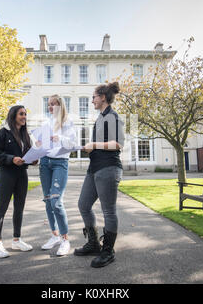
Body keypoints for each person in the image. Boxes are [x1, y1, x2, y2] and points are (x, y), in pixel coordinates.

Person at [74, 82, 125, 268]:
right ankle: (94, 243)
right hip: (94, 167)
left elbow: (118, 144)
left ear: (103, 97)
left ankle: (108, 251)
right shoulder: (101, 118)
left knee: (108, 210)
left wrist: (93, 145)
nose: (92, 100)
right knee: (83, 204)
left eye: (94, 97)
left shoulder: (112, 116)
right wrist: (90, 148)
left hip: (109, 168)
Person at [0, 105, 37, 258]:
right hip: (6, 173)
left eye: (25, 114)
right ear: (13, 116)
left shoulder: (25, 135)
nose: (24, 116)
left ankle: (16, 239)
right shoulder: (3, 133)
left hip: (21, 175)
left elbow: (27, 154)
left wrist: (33, 160)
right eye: (21, 114)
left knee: (19, 207)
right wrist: (11, 159)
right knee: (2, 207)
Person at [36, 95, 77, 256]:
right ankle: (54, 236)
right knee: (47, 200)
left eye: (53, 104)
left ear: (60, 105)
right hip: (45, 162)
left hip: (60, 163)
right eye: (48, 104)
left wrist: (59, 137)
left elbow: (72, 145)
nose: (50, 107)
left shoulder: (68, 122)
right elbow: (41, 144)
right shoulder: (46, 123)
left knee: (56, 201)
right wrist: (38, 144)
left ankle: (65, 239)